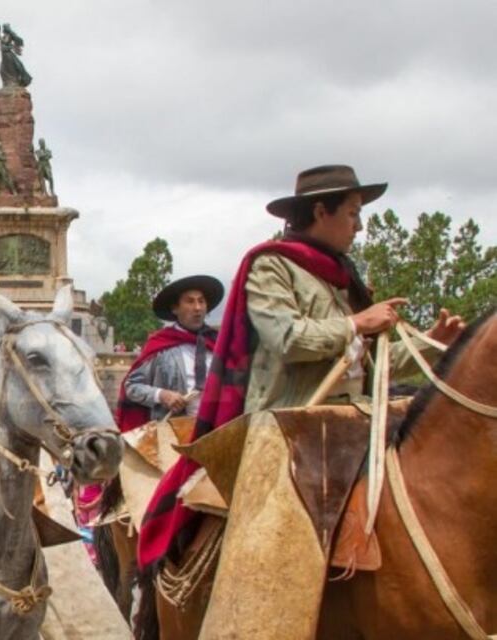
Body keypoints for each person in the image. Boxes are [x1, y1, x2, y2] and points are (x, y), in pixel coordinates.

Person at [138, 165, 465, 633]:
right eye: (352, 213)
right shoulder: (269, 265)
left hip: (358, 419)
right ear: (319, 211)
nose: (359, 224)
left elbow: (365, 365)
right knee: (272, 536)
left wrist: (428, 344)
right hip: (292, 425)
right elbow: (287, 338)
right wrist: (357, 323)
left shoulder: (342, 277)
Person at [117, 275, 222, 430]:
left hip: (215, 430)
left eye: (201, 301)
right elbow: (132, 386)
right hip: (172, 434)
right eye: (190, 301)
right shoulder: (161, 345)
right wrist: (162, 395)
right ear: (175, 308)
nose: (198, 307)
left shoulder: (218, 343)